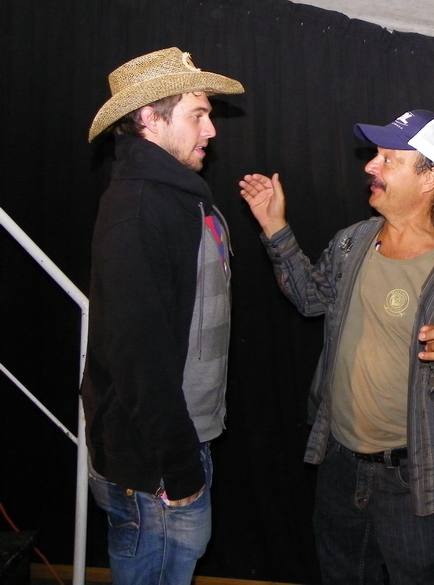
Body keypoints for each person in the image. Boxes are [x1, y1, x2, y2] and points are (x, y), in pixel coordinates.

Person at [239, 109, 434, 585]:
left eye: (388, 159)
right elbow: (311, 298)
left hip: (411, 474)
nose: (370, 166)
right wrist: (275, 228)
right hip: (339, 460)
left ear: (430, 178)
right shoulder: (354, 242)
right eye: (375, 155)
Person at [81, 47, 245, 585]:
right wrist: (178, 467)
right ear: (150, 118)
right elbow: (138, 359)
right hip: (153, 464)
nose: (211, 130)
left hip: (179, 445)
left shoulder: (179, 196)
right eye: (198, 114)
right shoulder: (137, 212)